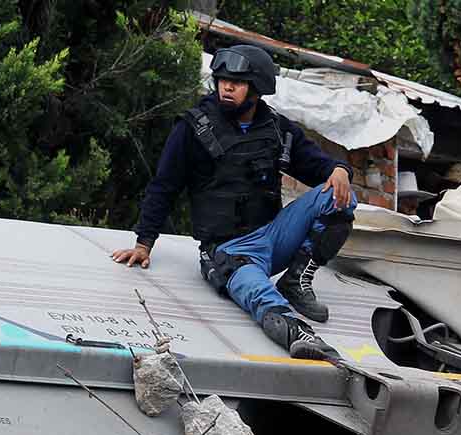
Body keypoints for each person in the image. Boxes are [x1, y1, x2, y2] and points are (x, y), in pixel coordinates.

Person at [111, 44, 357, 359]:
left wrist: (339, 170)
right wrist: (144, 243)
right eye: (222, 80)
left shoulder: (277, 129)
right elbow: (164, 185)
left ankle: (295, 281)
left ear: (257, 89)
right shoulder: (193, 128)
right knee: (260, 297)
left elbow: (316, 164)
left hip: (274, 235)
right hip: (231, 252)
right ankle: (299, 334)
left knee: (340, 196)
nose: (227, 87)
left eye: (237, 83)